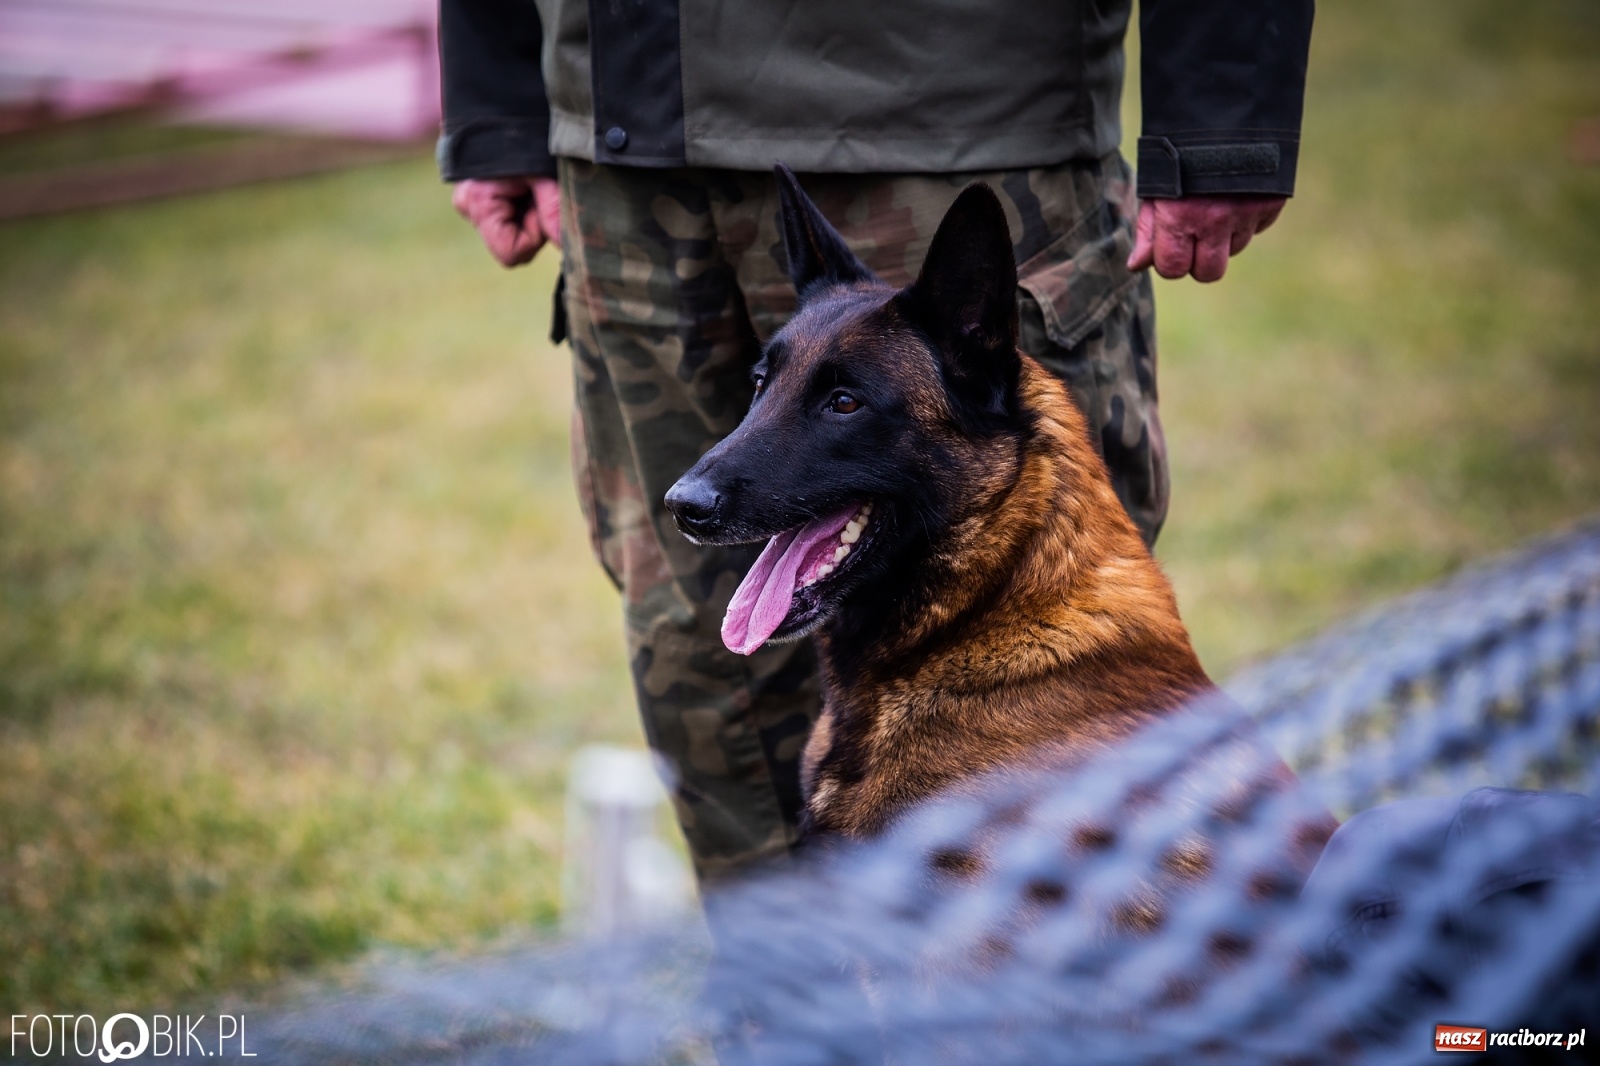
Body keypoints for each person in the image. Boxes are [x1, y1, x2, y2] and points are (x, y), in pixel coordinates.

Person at [437, 0, 1314, 884]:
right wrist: (496, 107)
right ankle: (787, 1010)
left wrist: (1224, 117)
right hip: (629, 140)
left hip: (945, 116)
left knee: (1029, 621)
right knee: (696, 640)